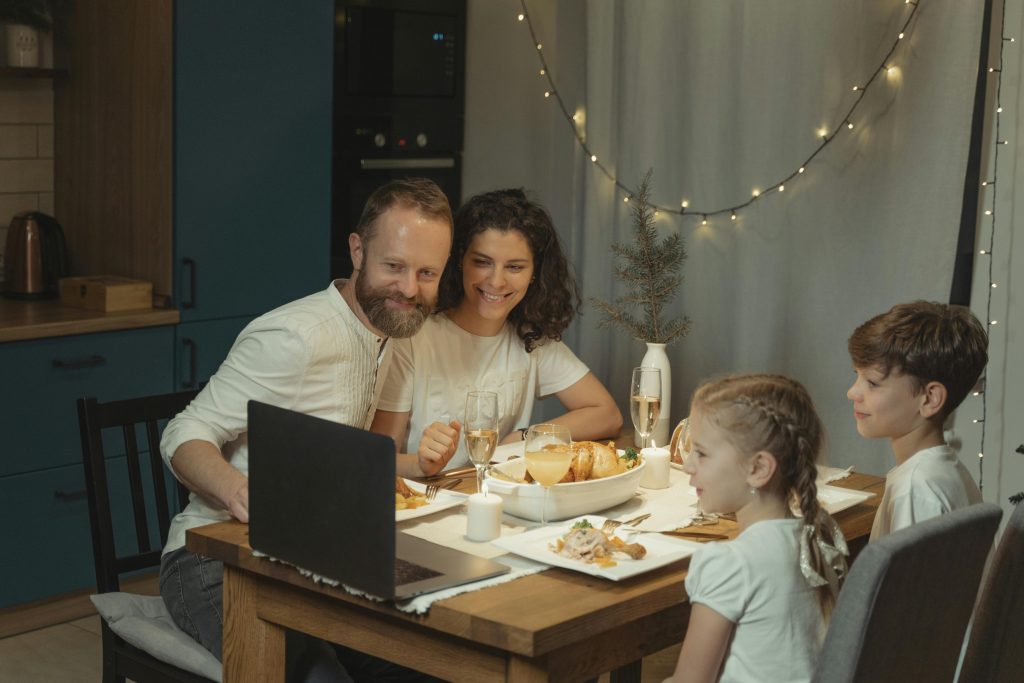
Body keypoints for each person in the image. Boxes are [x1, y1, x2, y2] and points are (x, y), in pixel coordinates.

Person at [157, 178, 453, 667]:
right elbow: (183, 433)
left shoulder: (393, 334)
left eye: (427, 273)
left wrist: (416, 466)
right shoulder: (297, 337)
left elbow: (352, 459)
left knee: (425, 661)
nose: (409, 289)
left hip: (314, 557)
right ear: (357, 251)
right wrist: (240, 492)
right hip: (212, 563)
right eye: (394, 267)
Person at [371, 188, 622, 476]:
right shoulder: (413, 339)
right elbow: (379, 458)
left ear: (534, 273)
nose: (496, 281)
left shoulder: (531, 340)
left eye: (514, 267)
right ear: (460, 260)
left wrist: (527, 437)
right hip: (426, 497)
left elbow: (607, 414)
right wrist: (420, 463)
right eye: (482, 262)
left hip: (497, 496)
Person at [668, 374, 848, 683]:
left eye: (701, 452)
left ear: (758, 468)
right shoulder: (821, 539)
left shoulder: (729, 564)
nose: (687, 465)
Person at [847, 300, 988, 541]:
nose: (852, 392)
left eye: (872, 383)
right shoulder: (943, 471)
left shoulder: (916, 491)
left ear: (930, 399)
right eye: (856, 375)